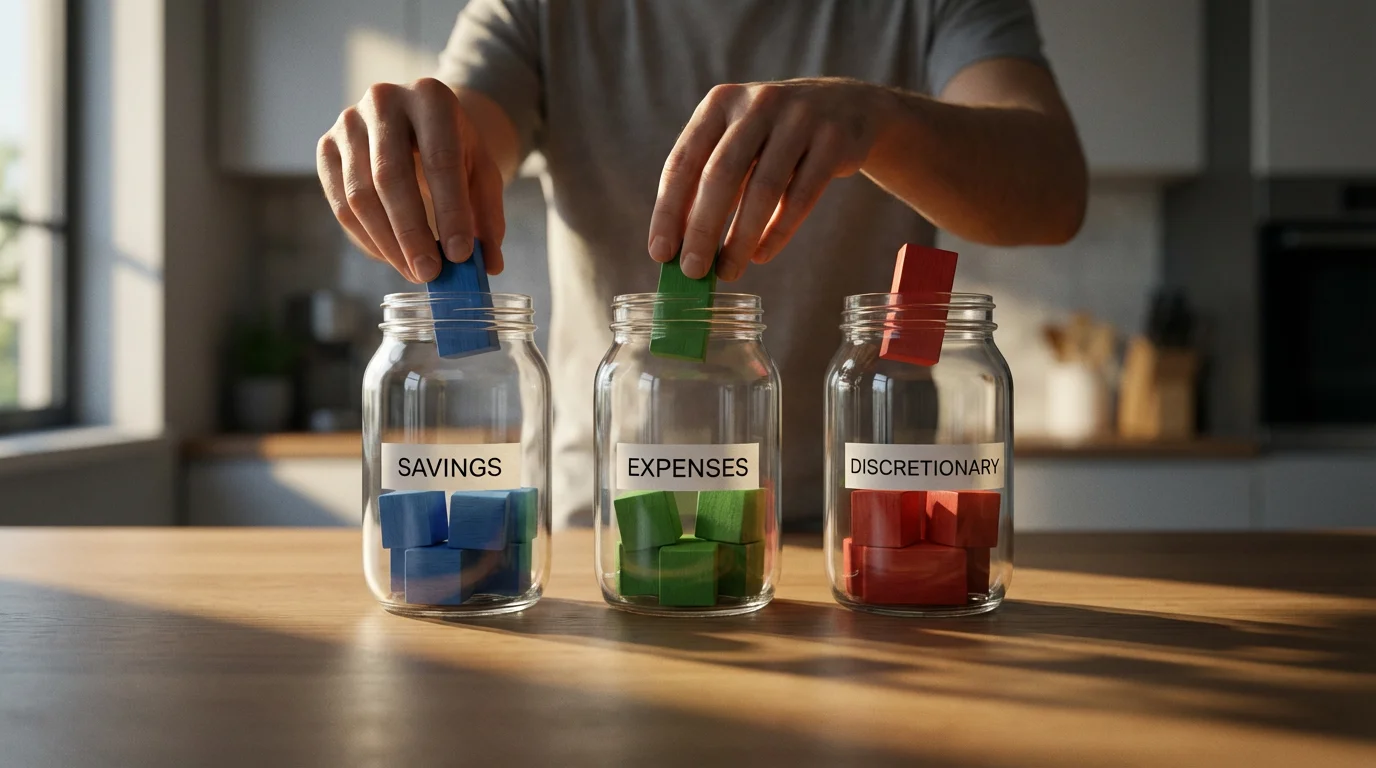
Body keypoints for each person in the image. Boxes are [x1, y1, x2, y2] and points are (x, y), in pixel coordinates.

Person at [316, 0, 1087, 528]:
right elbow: (452, 143)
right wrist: (405, 162)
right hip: (614, 512)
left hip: (868, 510)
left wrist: (878, 121)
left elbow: (1053, 190)